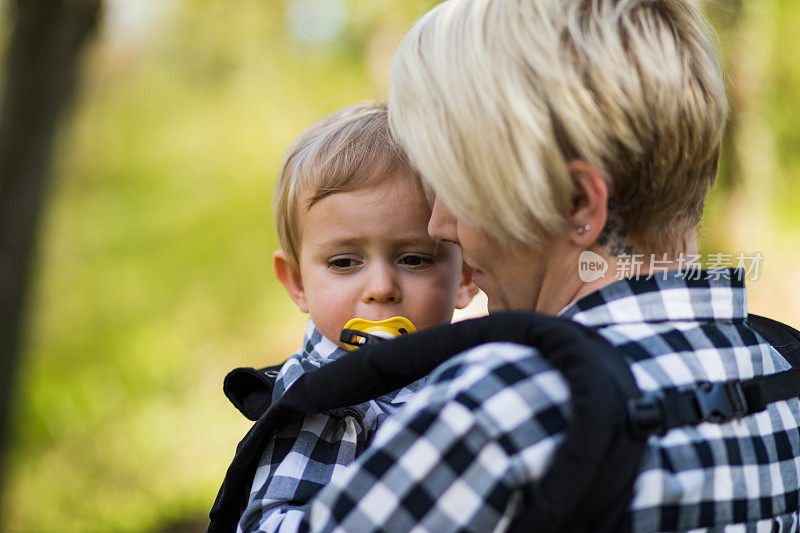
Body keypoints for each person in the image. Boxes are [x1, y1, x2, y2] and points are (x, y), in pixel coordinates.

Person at [240, 0, 800, 531]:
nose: (439, 225)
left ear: (579, 204)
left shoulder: (501, 409)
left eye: (459, 187)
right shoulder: (779, 375)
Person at [236, 102, 476, 530]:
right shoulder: (333, 402)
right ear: (297, 283)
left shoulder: (474, 375)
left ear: (465, 276)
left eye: (415, 259)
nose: (381, 287)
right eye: (345, 263)